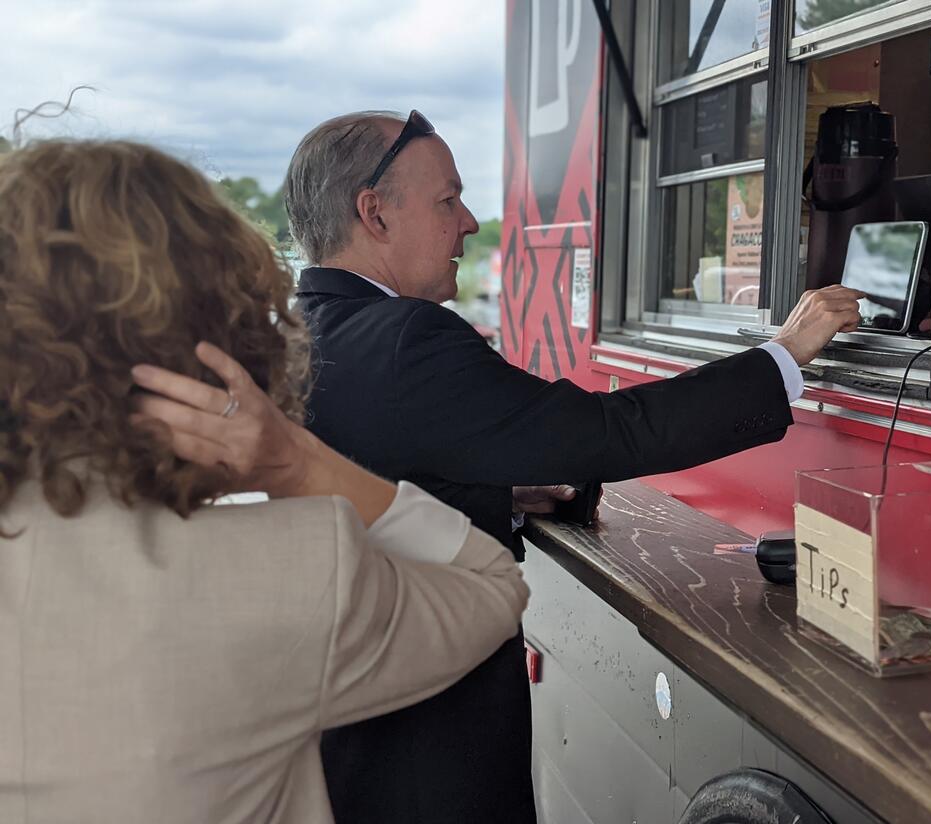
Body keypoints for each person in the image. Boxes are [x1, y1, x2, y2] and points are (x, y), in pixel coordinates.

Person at [283, 109, 863, 823]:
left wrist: (489, 489)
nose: (468, 222)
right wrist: (783, 357)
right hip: (424, 753)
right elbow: (607, 433)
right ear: (373, 213)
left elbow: (376, 474)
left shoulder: (302, 329)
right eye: (447, 200)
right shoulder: (405, 338)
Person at [0, 139, 528, 824]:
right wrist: (296, 463)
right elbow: (491, 587)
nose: (464, 220)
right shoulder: (283, 572)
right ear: (219, 334)